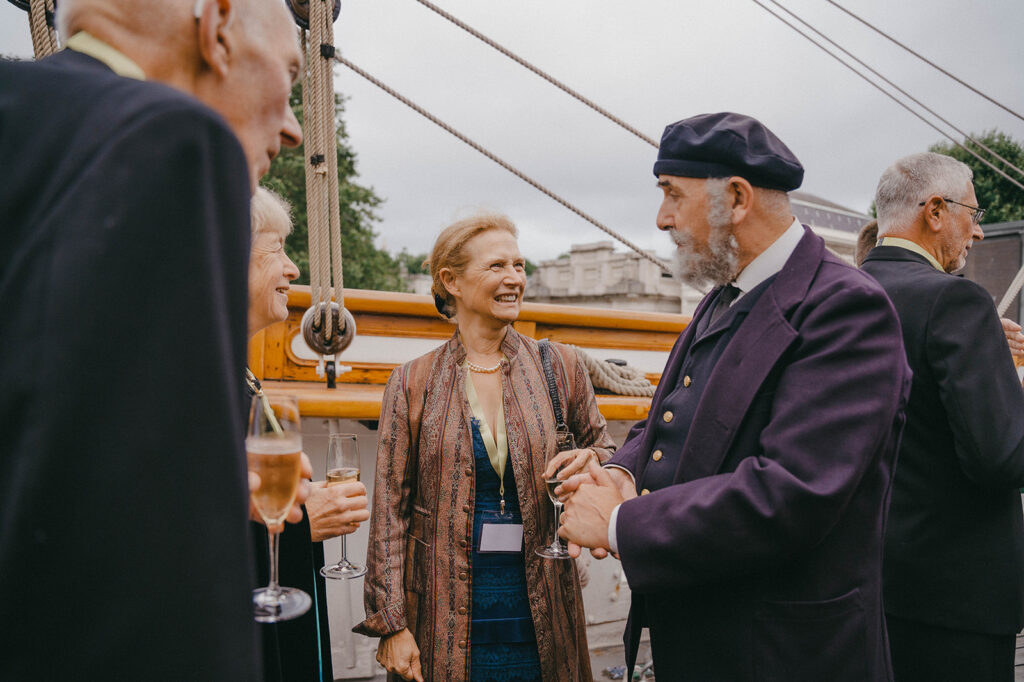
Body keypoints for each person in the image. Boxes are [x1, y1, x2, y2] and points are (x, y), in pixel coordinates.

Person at [0, 0, 303, 677]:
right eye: (289, 74)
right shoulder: (173, 141)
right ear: (218, 28)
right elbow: (158, 564)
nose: (292, 128)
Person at [558, 112, 911, 680]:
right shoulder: (724, 295)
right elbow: (672, 418)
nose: (662, 217)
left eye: (673, 195)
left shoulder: (848, 308)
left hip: (785, 652)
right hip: (704, 637)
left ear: (738, 198)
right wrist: (624, 471)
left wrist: (622, 521)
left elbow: (792, 491)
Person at [355, 214, 616, 681]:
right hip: (442, 612)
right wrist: (390, 625)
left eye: (519, 265)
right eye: (497, 266)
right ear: (450, 281)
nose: (514, 278)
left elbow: (608, 453)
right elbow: (389, 513)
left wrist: (593, 460)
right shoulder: (413, 382)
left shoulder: (561, 366)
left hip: (544, 604)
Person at [860, 152, 1024, 682]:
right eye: (972, 215)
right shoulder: (959, 303)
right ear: (934, 211)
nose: (977, 233)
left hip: (861, 582)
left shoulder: (837, 297)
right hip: (955, 599)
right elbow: (999, 459)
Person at [247, 188, 371, 680]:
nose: (294, 269)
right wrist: (302, 522)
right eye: (277, 249)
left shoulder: (235, 375)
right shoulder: (190, 385)